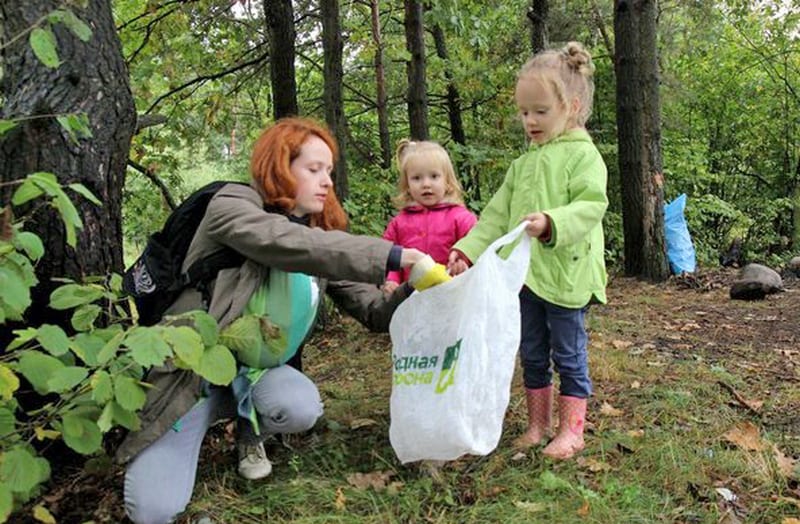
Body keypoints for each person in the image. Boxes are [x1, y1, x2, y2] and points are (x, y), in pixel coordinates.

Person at [116, 117, 427, 524]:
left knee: (298, 407)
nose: (327, 181)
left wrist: (415, 288)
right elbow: (284, 243)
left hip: (254, 377)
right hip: (188, 378)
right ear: (279, 166)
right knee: (152, 512)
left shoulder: (319, 238)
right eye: (313, 169)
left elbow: (374, 311)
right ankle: (193, 423)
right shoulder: (230, 205)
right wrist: (395, 256)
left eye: (329, 171)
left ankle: (249, 429)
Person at [447, 42, 608, 460]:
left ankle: (572, 430)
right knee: (532, 352)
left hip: (567, 276)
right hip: (523, 278)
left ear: (570, 107)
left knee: (569, 354)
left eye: (540, 111)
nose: (529, 120)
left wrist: (551, 222)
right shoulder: (522, 165)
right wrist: (466, 250)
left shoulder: (584, 155)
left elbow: (591, 206)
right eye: (524, 112)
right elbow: (496, 218)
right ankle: (538, 424)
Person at [381, 139, 476, 294]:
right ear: (407, 185)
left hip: (453, 296)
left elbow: (476, 246)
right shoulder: (399, 222)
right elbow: (389, 256)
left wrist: (464, 261)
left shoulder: (461, 217)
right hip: (411, 298)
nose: (426, 184)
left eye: (434, 176)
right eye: (417, 178)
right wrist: (392, 280)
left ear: (447, 181)